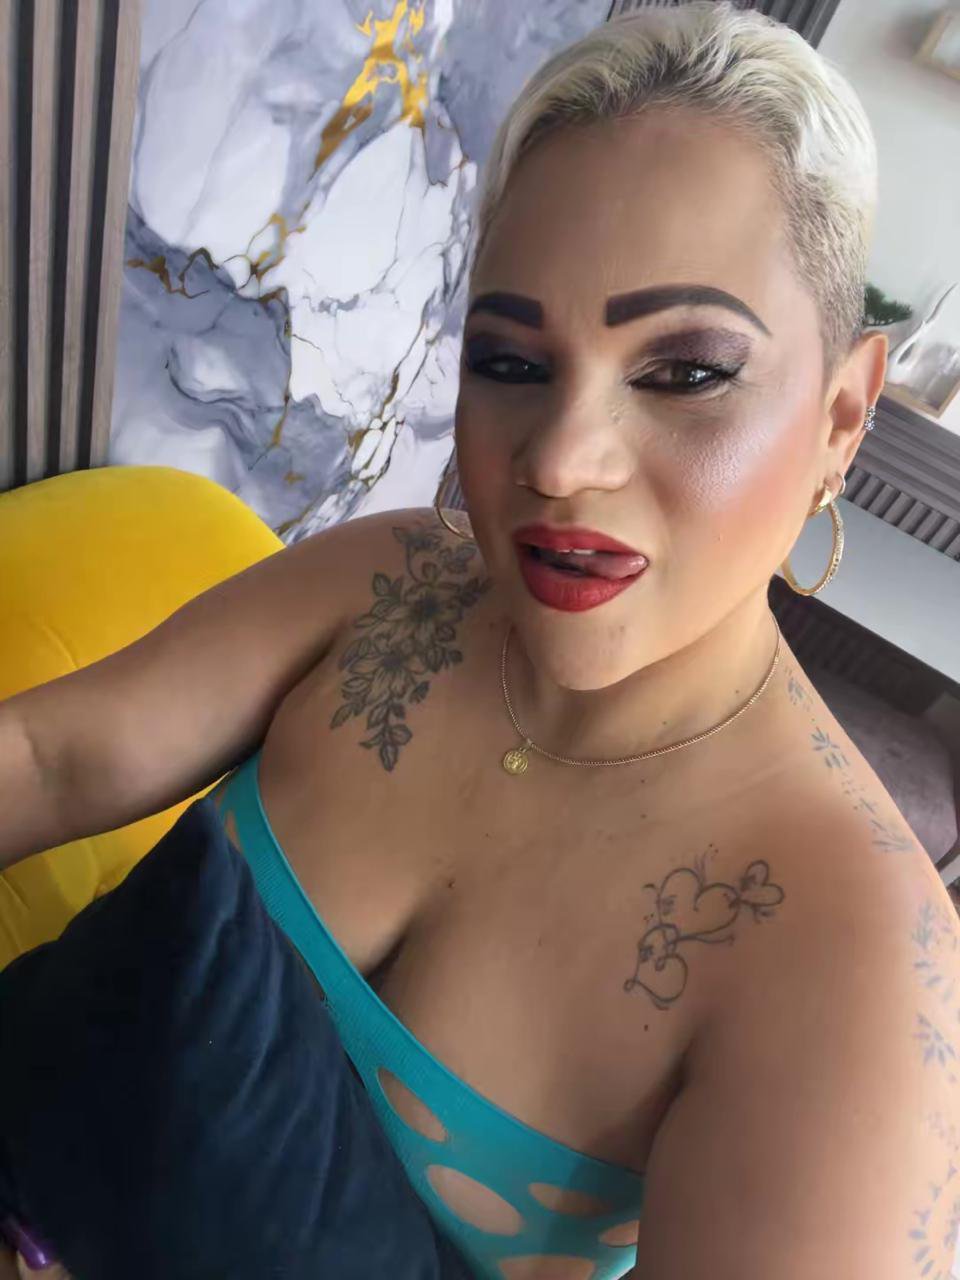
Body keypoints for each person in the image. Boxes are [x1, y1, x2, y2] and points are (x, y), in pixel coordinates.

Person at [1, 3, 957, 1277]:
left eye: (683, 371)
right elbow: (51, 756)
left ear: (842, 415)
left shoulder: (858, 967)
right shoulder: (389, 582)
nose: (560, 459)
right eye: (512, 361)